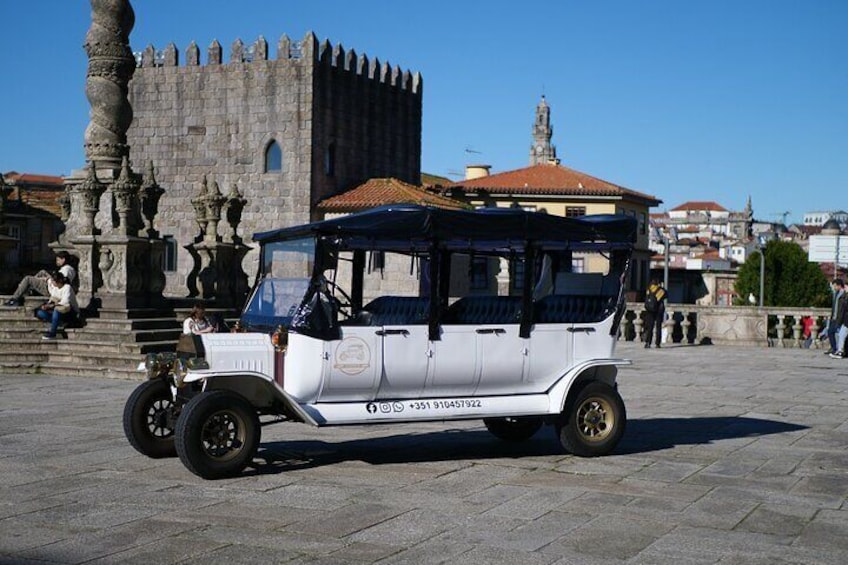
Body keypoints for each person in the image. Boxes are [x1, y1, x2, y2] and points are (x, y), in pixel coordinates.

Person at [4, 251, 77, 306]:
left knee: (28, 278)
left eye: (58, 260)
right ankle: (28, 289)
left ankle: (14, 299)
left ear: (63, 259)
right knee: (42, 272)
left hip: (50, 289)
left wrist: (47, 279)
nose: (56, 262)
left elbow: (59, 283)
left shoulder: (66, 270)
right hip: (51, 285)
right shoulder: (69, 269)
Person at [36, 271, 79, 340]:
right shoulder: (55, 289)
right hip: (59, 312)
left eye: (54, 281)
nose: (52, 283)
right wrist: (46, 306)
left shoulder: (67, 287)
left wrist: (52, 306)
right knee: (40, 313)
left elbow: (65, 302)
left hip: (70, 312)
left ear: (59, 281)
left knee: (56, 310)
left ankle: (53, 333)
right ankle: (58, 322)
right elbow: (52, 299)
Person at [643, 278, 667, 349]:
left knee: (650, 327)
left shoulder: (649, 289)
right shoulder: (660, 290)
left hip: (650, 310)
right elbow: (666, 295)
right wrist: (661, 287)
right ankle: (657, 343)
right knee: (658, 327)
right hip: (658, 311)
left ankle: (648, 343)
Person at [824, 279, 846, 355]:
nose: (834, 287)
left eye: (835, 286)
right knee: (830, 332)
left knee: (839, 334)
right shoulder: (835, 294)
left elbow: (843, 309)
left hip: (840, 318)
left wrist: (841, 319)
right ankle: (834, 348)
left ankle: (837, 349)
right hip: (834, 317)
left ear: (839, 285)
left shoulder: (844, 295)